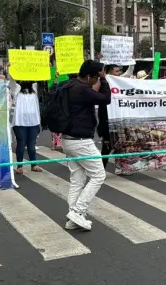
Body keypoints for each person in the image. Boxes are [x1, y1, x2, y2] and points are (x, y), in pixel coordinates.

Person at [61, 60, 111, 231]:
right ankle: (78, 211)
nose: (97, 81)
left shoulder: (69, 85)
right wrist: (104, 80)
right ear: (89, 76)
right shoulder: (82, 89)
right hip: (81, 141)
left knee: (77, 180)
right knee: (98, 175)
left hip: (68, 140)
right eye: (96, 77)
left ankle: (72, 219)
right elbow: (106, 99)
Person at [12, 81, 42, 175]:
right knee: (21, 143)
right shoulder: (17, 90)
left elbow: (40, 79)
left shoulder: (35, 90)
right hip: (20, 121)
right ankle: (20, 166)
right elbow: (12, 82)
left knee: (31, 144)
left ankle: (33, 165)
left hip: (33, 121)